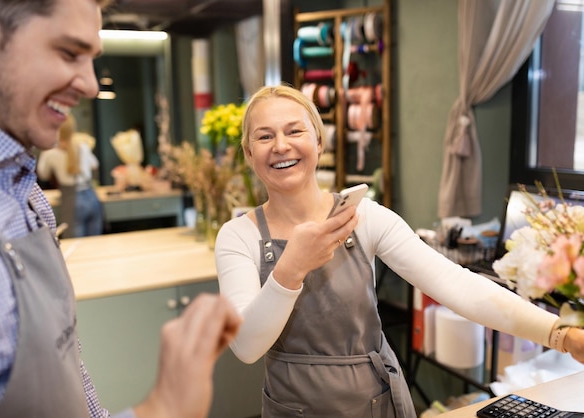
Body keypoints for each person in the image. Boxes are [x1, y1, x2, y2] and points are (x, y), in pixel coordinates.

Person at [214, 84, 584, 417]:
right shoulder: (237, 237)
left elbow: (455, 284)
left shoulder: (364, 217)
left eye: (295, 130)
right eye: (265, 137)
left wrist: (559, 334)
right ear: (249, 153)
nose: (281, 145)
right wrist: (291, 268)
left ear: (319, 142)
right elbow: (246, 346)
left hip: (376, 403)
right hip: (291, 407)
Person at [0, 0, 241, 417]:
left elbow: (67, 371)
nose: (91, 85)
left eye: (92, 59)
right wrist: (162, 408)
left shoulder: (25, 193)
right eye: (69, 53)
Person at [37, 113, 104, 237]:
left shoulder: (50, 152)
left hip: (71, 198)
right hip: (91, 195)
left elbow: (43, 175)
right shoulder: (83, 146)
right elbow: (95, 165)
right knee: (95, 242)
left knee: (75, 243)